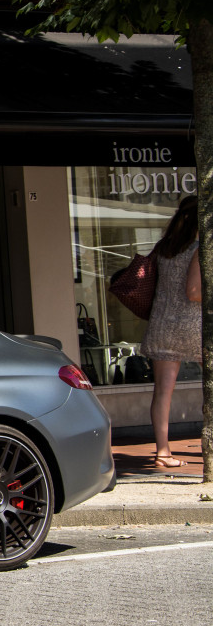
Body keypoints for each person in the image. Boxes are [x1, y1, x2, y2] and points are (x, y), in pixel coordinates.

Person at [140, 195, 200, 469]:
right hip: (192, 327)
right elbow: (194, 291)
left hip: (162, 325)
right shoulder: (201, 248)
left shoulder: (164, 248)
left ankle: (162, 451)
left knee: (163, 391)